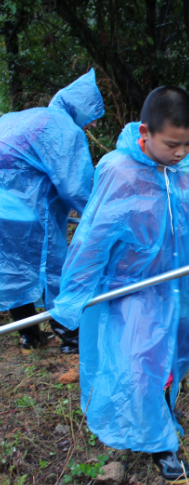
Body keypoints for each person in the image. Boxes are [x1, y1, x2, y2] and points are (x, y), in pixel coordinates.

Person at [50, 86, 189, 483]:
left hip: (177, 288)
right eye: (171, 144)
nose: (180, 152)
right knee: (140, 364)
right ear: (145, 132)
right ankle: (161, 446)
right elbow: (93, 238)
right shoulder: (119, 172)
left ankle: (162, 411)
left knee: (174, 356)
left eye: (188, 143)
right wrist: (73, 296)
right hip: (130, 289)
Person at [0, 69, 104, 354]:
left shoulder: (25, 117)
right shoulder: (63, 128)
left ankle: (30, 337)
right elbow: (76, 188)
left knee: (15, 268)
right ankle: (72, 338)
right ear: (80, 107)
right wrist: (101, 217)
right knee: (53, 267)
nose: (93, 124)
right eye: (93, 115)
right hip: (28, 209)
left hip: (5, 208)